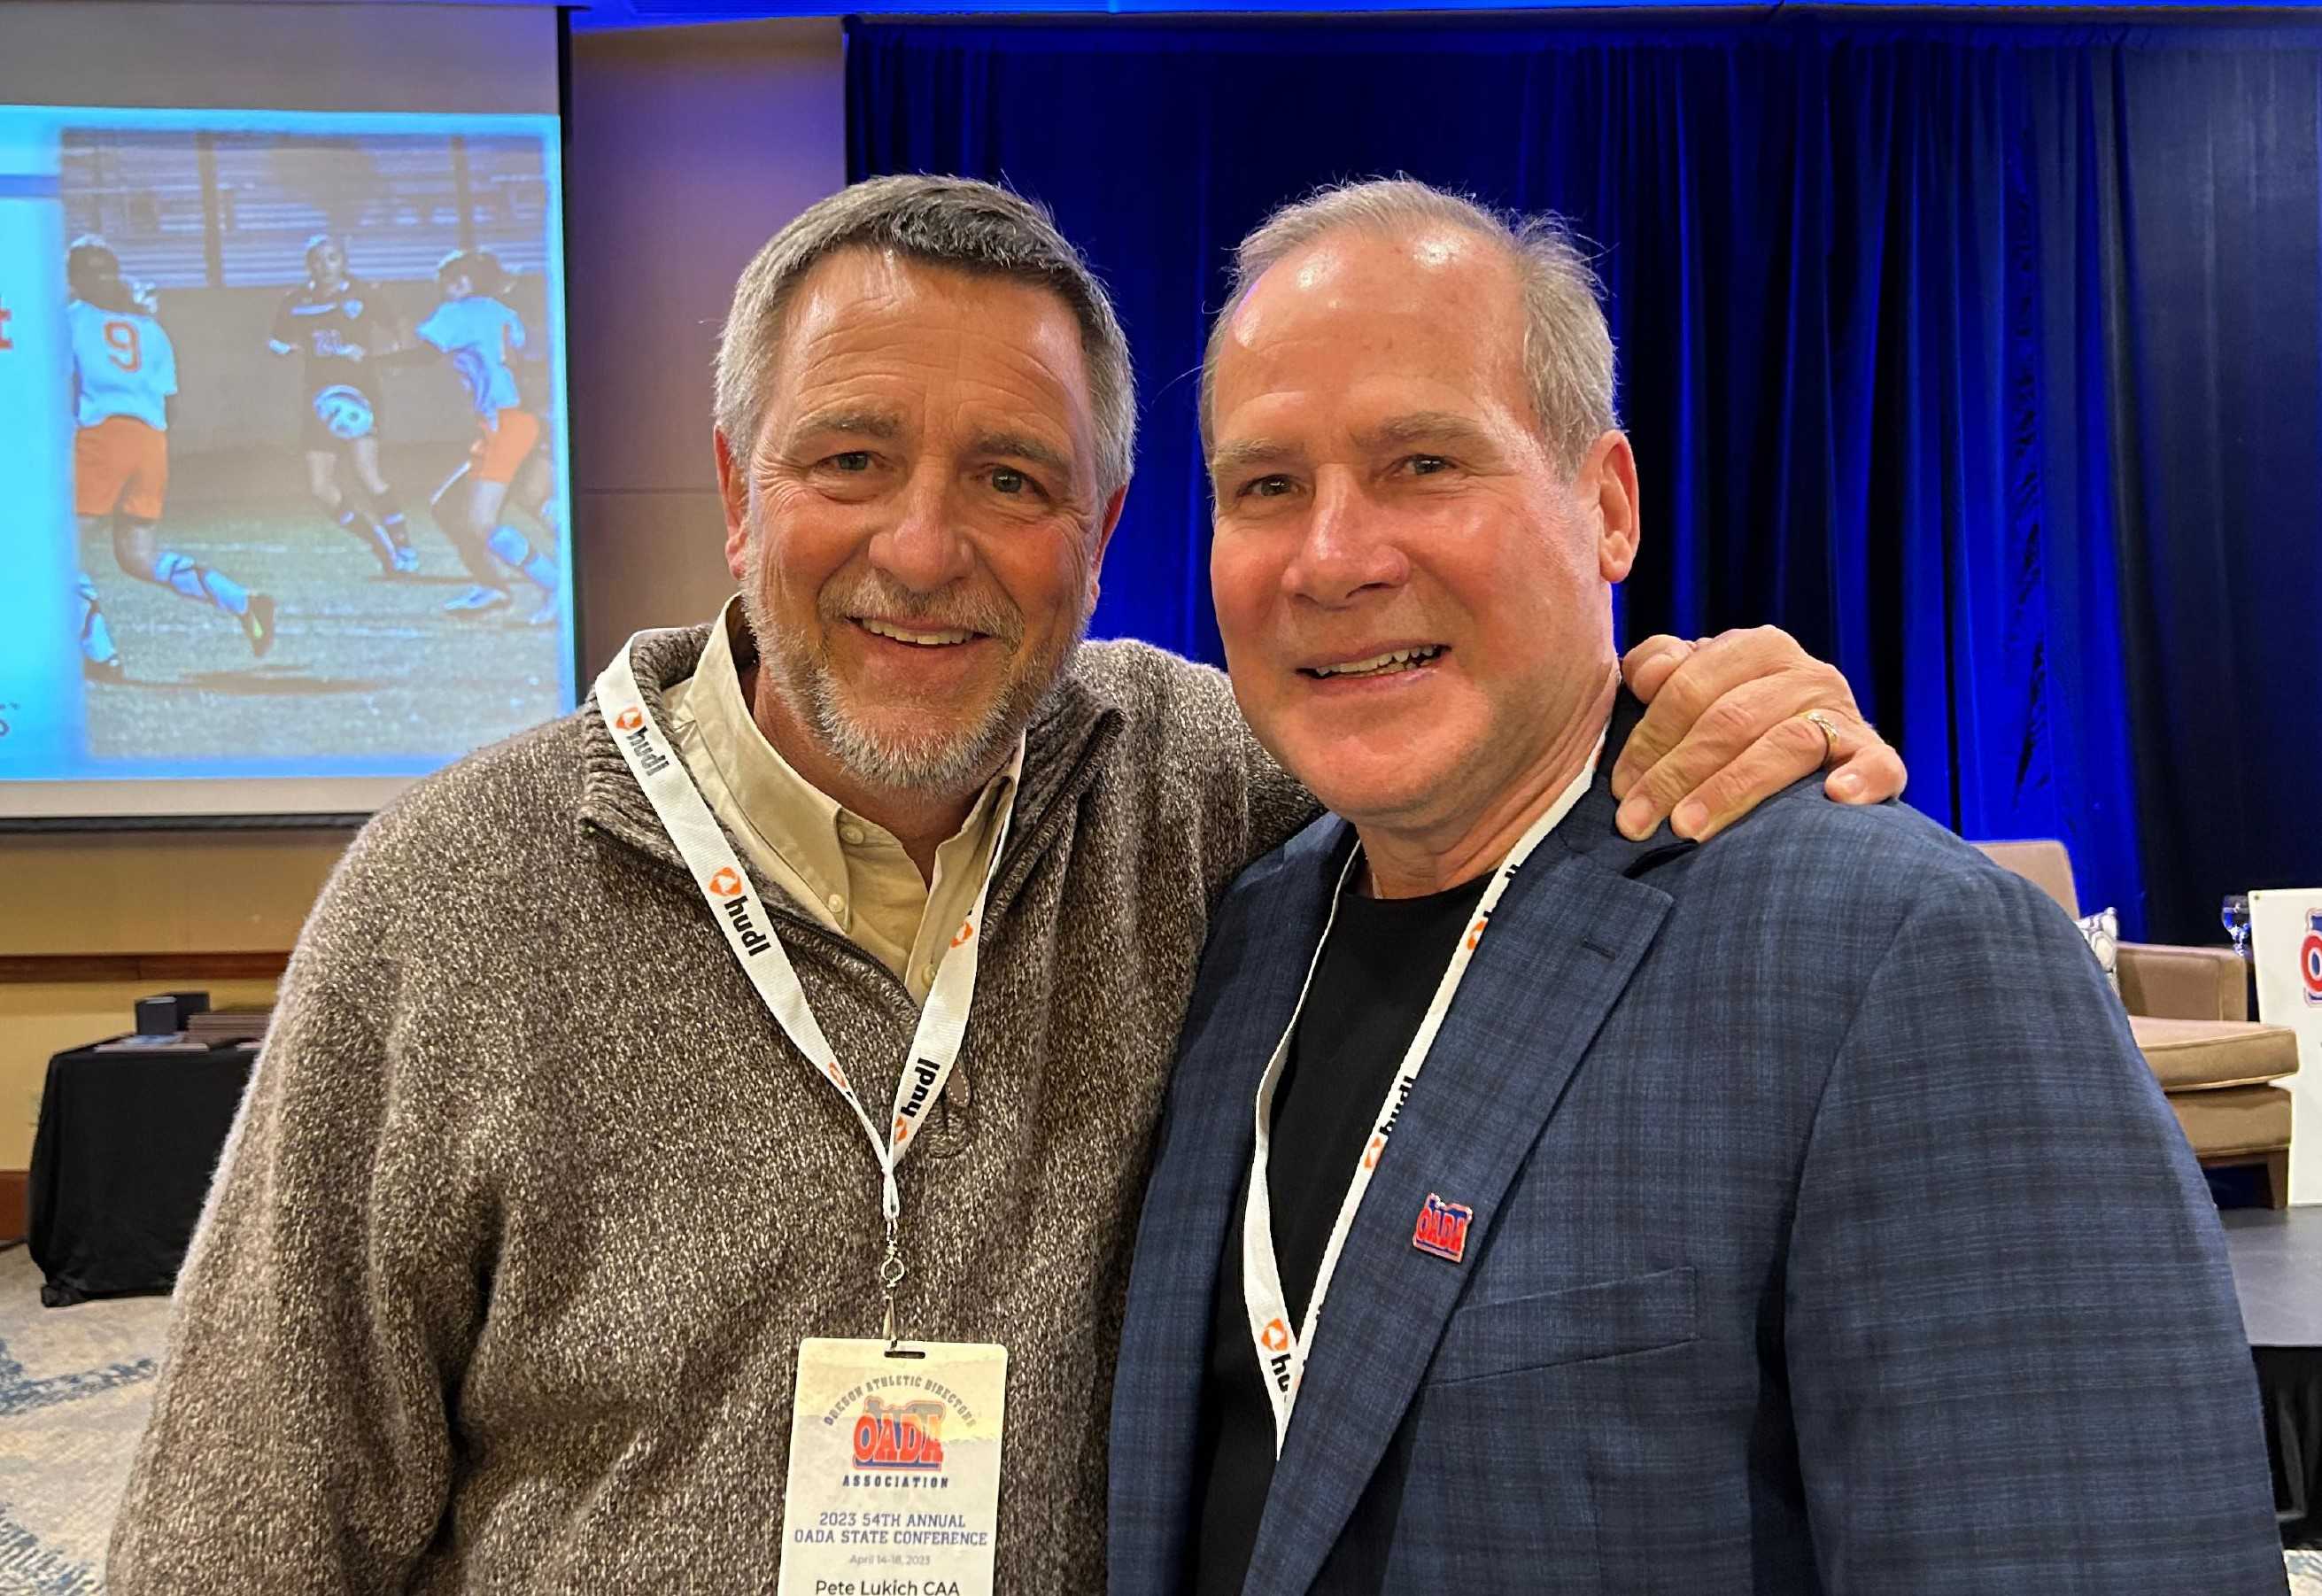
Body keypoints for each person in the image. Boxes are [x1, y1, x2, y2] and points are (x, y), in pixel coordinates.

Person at [107, 176, 1903, 1592]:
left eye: (1011, 477)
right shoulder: (455, 898)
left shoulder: (1202, 787)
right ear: (741, 494)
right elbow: (238, 1528)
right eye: (851, 460)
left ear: (1104, 531)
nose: (922, 546)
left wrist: (1696, 688)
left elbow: (1469, 716)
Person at [1108, 179, 2280, 1594]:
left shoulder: (1901, 956)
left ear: (1605, 507)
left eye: (1423, 462)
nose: (1334, 556)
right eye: (1266, 485)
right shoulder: (1239, 931)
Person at [67, 236, 275, 671]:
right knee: (138, 555)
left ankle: (100, 653)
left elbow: (59, 384)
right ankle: (243, 602)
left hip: (104, 436)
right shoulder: (151, 330)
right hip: (152, 443)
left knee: (53, 548)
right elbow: (170, 404)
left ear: (76, 278)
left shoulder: (71, 319)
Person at [410, 249, 561, 623]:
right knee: (521, 499)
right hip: (519, 420)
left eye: (448, 279)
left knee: (479, 521)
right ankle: (492, 587)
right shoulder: (503, 313)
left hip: (505, 425)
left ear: (463, 281)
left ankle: (556, 585)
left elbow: (424, 352)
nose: (442, 287)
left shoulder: (459, 312)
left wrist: (370, 360)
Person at [268, 234, 419, 576]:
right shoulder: (295, 300)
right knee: (319, 488)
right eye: (318, 260)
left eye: (332, 258)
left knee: (368, 473)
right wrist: (290, 350)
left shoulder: (363, 294)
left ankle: (404, 546)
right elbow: (276, 340)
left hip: (358, 393)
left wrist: (395, 355)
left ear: (344, 261)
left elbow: (398, 322)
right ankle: (377, 541)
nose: (325, 266)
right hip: (319, 398)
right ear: (309, 265)